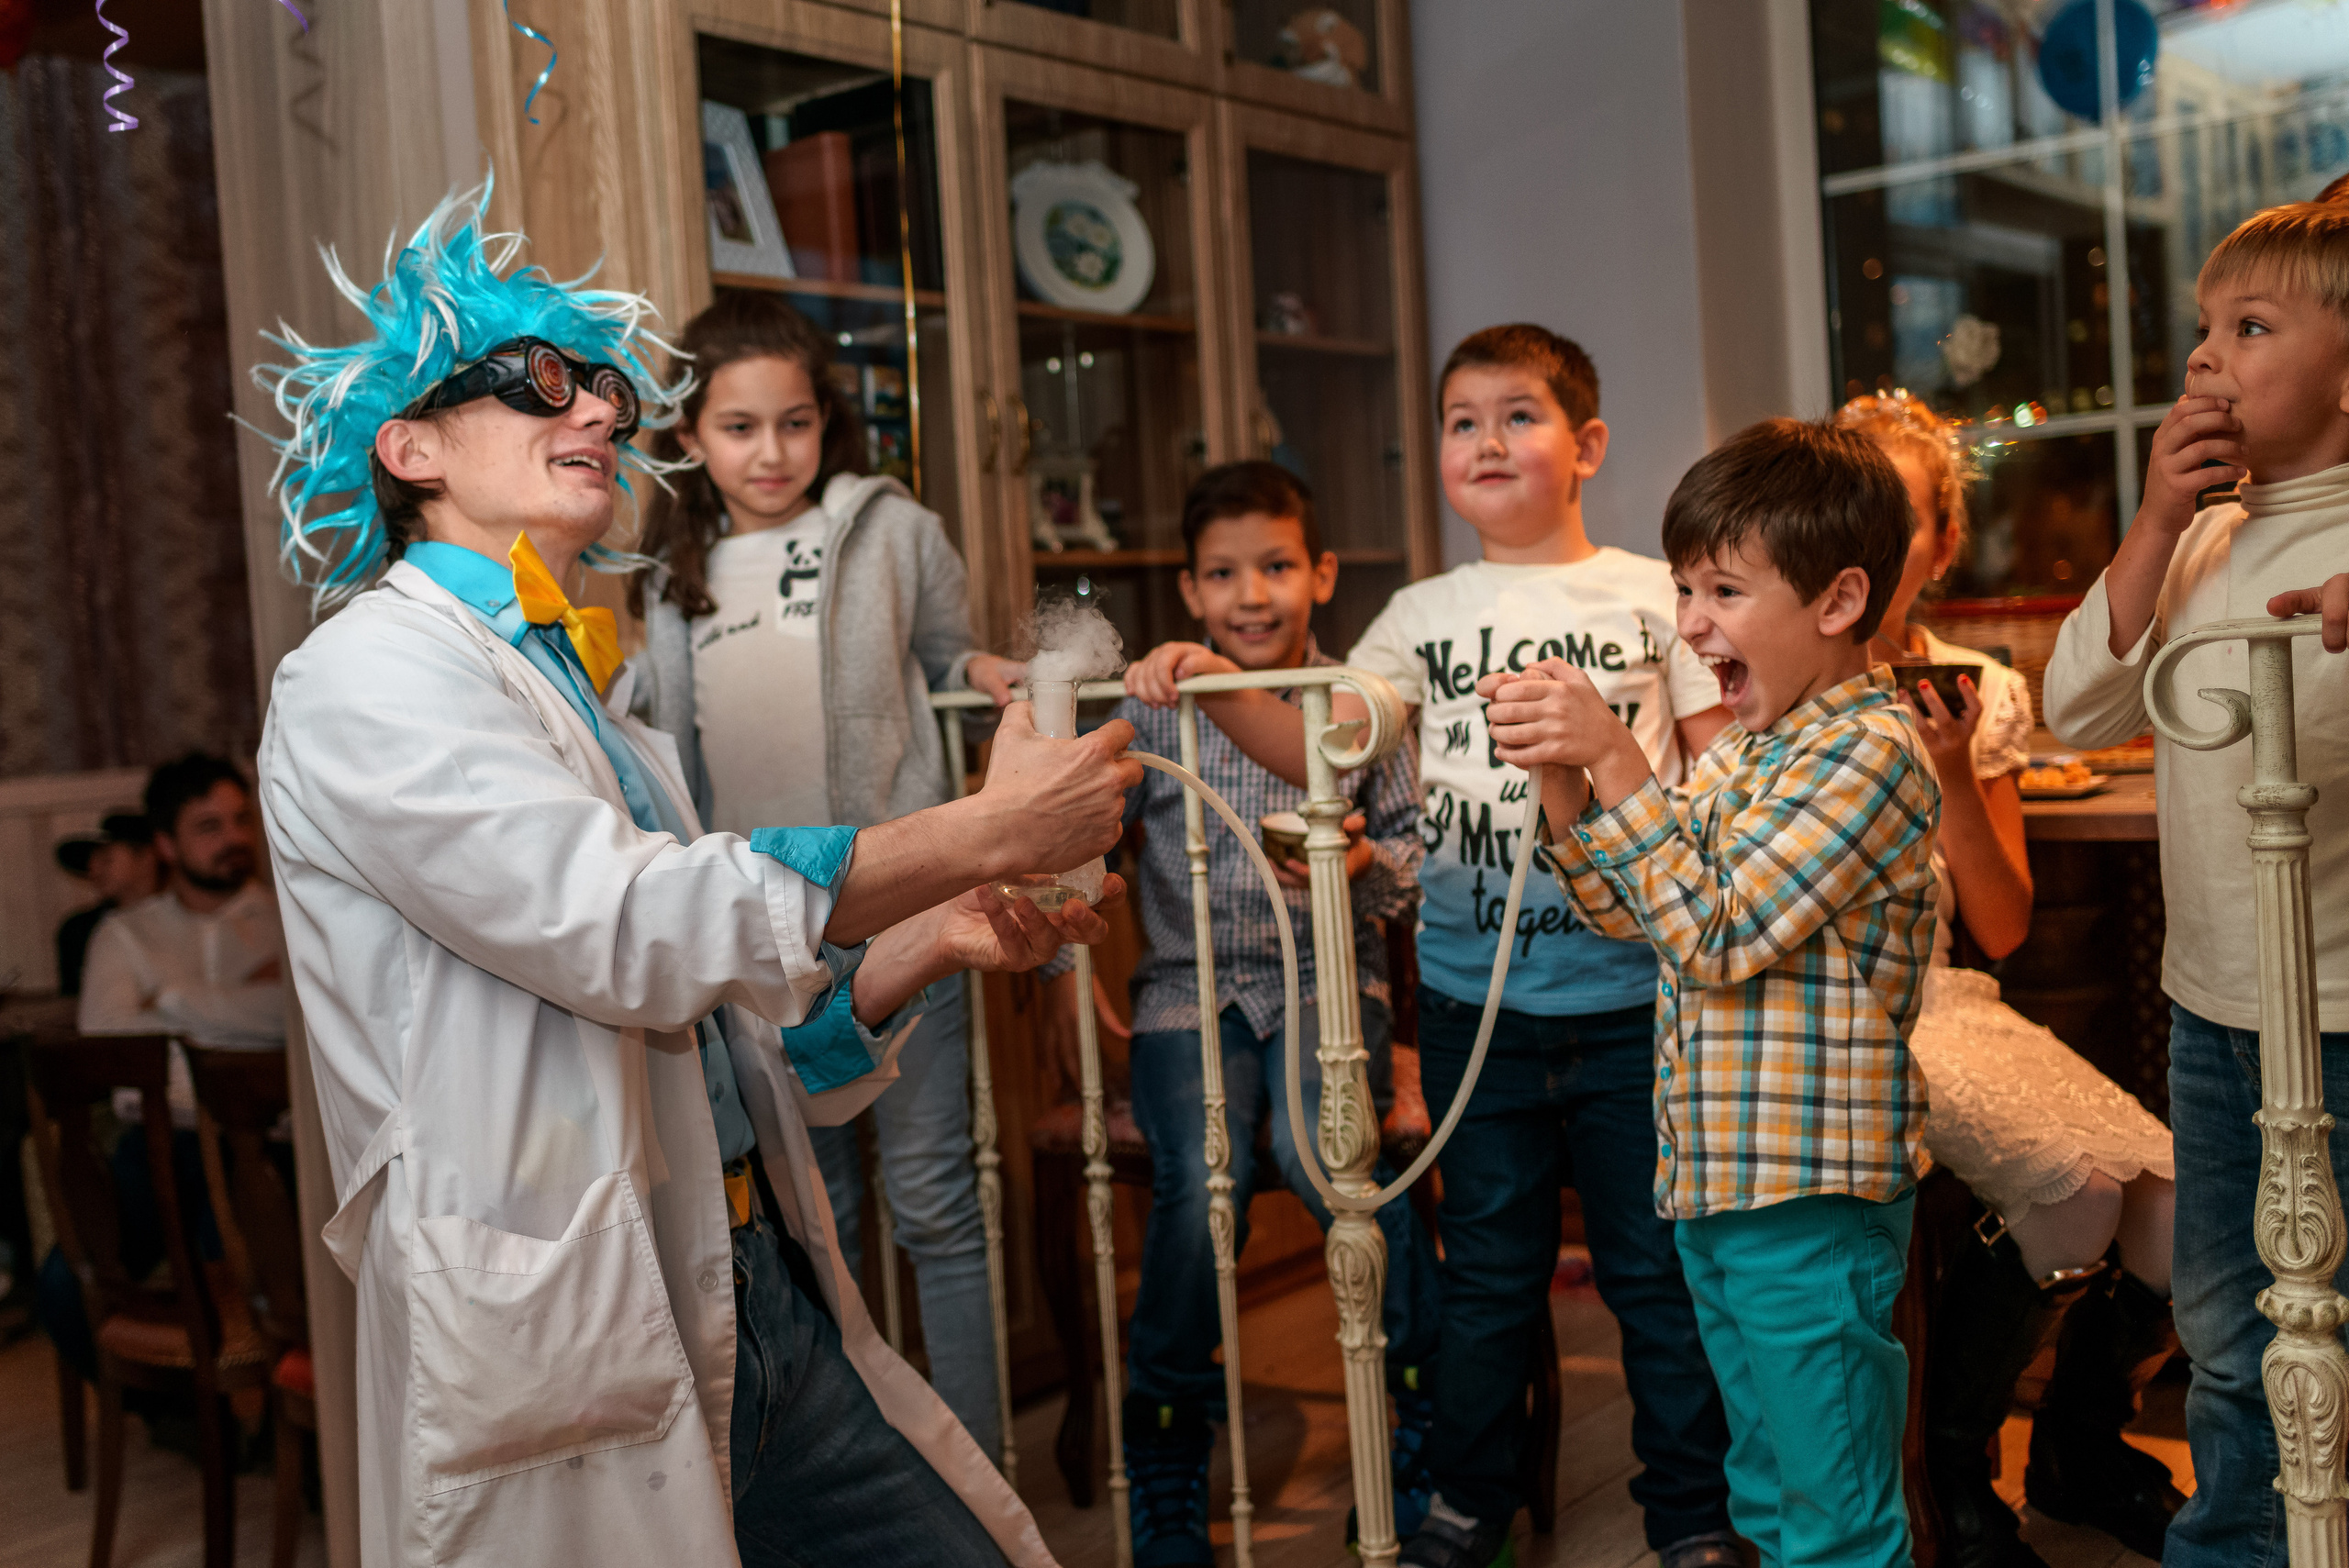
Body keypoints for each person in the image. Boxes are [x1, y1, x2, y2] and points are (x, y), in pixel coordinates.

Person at [250, 183, 1139, 1568]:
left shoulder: (597, 710)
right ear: (409, 444)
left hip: (752, 1285)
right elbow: (628, 925)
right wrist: (984, 830)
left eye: (602, 384)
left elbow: (713, 1045)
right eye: (539, 382)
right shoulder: (369, 675)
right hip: (585, 1327)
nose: (599, 410)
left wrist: (935, 935)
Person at [1183, 327, 1738, 1568]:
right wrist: (1223, 680)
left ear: (1586, 444)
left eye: (1517, 416)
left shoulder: (1655, 595)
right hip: (1473, 1007)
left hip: (1635, 1000)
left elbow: (1715, 779)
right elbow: (1335, 742)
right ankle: (1467, 1500)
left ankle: (1692, 1517)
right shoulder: (1419, 616)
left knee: (1652, 1274)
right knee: (1489, 1277)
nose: (1486, 440)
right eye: (1461, 420)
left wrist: (1600, 751)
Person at [1486, 417, 1939, 1568]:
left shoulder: (1870, 750)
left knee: (1837, 1511)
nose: (1691, 622)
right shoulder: (1745, 748)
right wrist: (1566, 785)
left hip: (1810, 1193)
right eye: (1686, 587)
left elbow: (1717, 928)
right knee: (1767, 1490)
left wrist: (1623, 759)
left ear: (1837, 601)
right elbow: (1628, 905)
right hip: (1718, 1185)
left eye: (1723, 590)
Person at [629, 291, 1024, 1461]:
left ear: (826, 422)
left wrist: (997, 668)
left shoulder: (892, 527)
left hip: (903, 906)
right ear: (693, 436)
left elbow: (953, 650)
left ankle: (983, 1482)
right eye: (739, 427)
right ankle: (867, 1477)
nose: (770, 453)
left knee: (936, 1201)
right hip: (753, 936)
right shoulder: (663, 569)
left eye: (793, 423)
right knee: (816, 1214)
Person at [1055, 461, 1439, 1564]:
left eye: (1276, 565)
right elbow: (1087, 848)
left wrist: (1355, 859)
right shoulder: (1153, 706)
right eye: (1224, 573)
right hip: (1189, 983)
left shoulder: (1358, 707)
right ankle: (1169, 1446)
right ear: (1188, 588)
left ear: (1319, 573)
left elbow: (1407, 869)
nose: (1252, 593)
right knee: (1199, 1180)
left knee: (1333, 1164)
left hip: (1330, 977)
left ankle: (1418, 1417)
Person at [2044, 198, 2349, 1568]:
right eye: (2204, 331)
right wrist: (2160, 518)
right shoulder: (2211, 541)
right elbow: (2073, 704)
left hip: (2340, 1016)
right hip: (2222, 1014)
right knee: (2228, 1340)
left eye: (2253, 328)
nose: (2207, 360)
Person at [1840, 393, 2178, 1567]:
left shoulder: (1976, 686)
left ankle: (2080, 1454)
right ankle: (1952, 1472)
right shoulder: (1773, 668)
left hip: (1949, 999)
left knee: (2183, 1209)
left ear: (1942, 540)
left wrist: (1947, 762)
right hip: (1843, 1014)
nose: (1883, 536)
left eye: (1909, 515)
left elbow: (2000, 921)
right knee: (2076, 1192)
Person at [80, 752, 287, 1125]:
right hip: (165, 1139)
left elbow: (297, 1020)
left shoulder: (290, 923)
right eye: (210, 827)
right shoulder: (124, 933)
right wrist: (248, 1005)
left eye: (241, 820)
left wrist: (169, 1000)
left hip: (275, 1131)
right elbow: (107, 1044)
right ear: (167, 846)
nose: (235, 838)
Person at [52, 811, 158, 997]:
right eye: (90, 863)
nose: (94, 870)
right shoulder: (79, 931)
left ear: (146, 858)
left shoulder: (186, 921)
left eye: (106, 858)